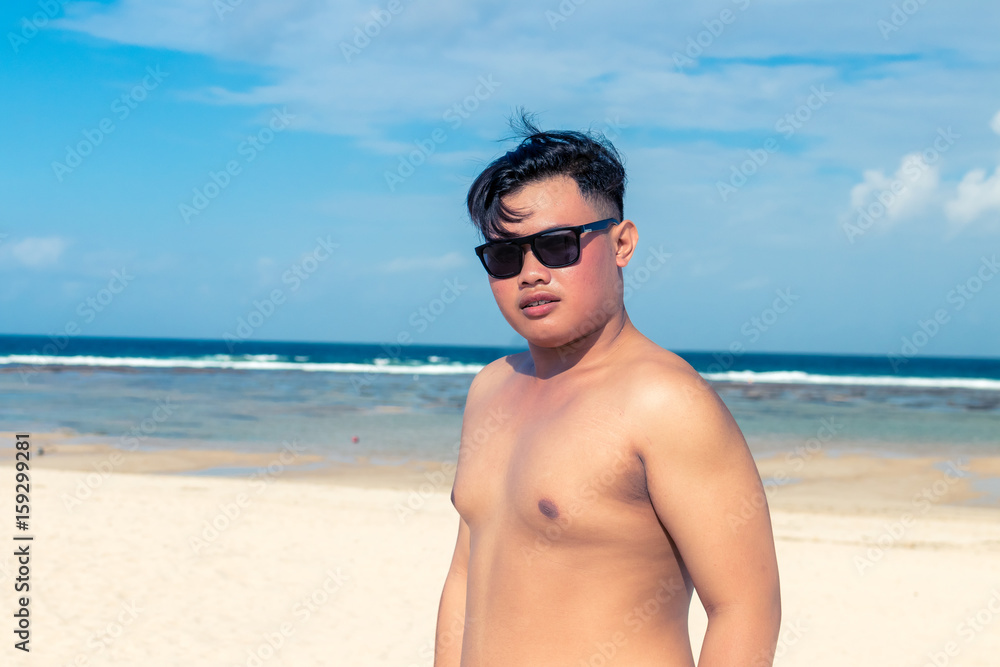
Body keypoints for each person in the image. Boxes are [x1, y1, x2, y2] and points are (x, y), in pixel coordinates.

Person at [434, 113, 781, 667]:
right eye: (505, 255)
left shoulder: (663, 401)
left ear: (622, 243)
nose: (531, 273)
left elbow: (745, 606)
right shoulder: (492, 387)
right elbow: (464, 579)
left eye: (557, 246)